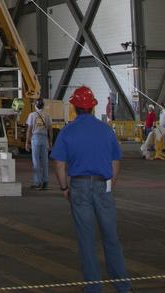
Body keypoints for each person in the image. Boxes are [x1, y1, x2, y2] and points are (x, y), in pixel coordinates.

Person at [50, 86, 131, 293]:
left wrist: (64, 187)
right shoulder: (106, 130)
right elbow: (115, 162)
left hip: (79, 185)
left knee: (86, 240)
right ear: (93, 107)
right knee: (111, 237)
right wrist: (109, 185)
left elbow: (59, 164)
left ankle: (94, 287)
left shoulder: (67, 131)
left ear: (74, 107)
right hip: (102, 185)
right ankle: (123, 285)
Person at [25, 99, 52, 189]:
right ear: (43, 106)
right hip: (44, 138)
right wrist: (50, 142)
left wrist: (27, 142)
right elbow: (50, 130)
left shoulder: (32, 115)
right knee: (45, 161)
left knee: (36, 161)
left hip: (35, 138)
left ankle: (37, 182)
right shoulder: (47, 115)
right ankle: (46, 182)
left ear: (35, 106)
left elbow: (29, 129)